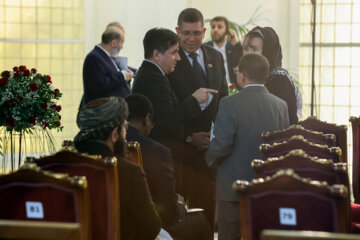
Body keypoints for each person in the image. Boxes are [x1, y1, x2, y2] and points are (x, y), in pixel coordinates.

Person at [206, 54, 290, 240]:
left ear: (242, 76)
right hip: (267, 186)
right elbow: (282, 146)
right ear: (265, 76)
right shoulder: (280, 106)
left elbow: (222, 143)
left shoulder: (229, 103)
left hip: (233, 185)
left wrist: (209, 159)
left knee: (230, 235)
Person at [132, 27, 217, 192]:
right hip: (159, 158)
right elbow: (168, 122)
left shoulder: (153, 74)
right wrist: (194, 100)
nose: (178, 58)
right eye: (174, 52)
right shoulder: (154, 78)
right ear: (157, 54)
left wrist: (190, 137)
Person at [167, 8, 228, 231]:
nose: (191, 39)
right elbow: (167, 110)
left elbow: (223, 99)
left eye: (196, 33)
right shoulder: (170, 59)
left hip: (211, 148)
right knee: (180, 218)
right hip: (181, 149)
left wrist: (217, 136)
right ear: (177, 31)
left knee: (207, 214)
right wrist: (188, 136)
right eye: (185, 33)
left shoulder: (215, 56)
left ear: (204, 31)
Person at [126, 94, 212, 240]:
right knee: (200, 219)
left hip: (120, 222)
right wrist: (180, 205)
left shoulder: (111, 146)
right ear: (147, 119)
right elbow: (170, 211)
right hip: (154, 225)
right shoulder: (157, 151)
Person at [73, 97, 161, 240]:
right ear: (115, 134)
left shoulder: (59, 166)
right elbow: (150, 228)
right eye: (124, 128)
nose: (125, 134)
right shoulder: (128, 172)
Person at [243, 26, 302, 124]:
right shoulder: (252, 78)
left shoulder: (279, 80)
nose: (248, 54)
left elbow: (283, 123)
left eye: (254, 49)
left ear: (267, 52)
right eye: (246, 48)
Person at [80, 26, 134, 106]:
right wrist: (122, 75)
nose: (122, 47)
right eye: (121, 42)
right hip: (103, 113)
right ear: (113, 43)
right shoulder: (94, 57)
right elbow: (99, 84)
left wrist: (126, 76)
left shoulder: (106, 56)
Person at [205, 16, 243, 87]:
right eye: (213, 27)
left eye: (219, 27)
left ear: (227, 31)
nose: (215, 30)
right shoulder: (205, 48)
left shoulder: (235, 48)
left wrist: (237, 43)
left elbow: (246, 59)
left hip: (234, 91)